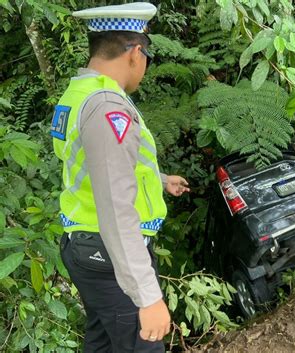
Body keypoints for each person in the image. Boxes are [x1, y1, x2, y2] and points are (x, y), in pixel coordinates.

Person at [50, 3, 190, 352]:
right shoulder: (108, 106)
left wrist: (158, 179)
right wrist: (147, 296)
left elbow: (98, 166)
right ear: (135, 53)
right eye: (148, 57)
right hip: (107, 254)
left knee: (102, 344)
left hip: (85, 245)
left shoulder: (78, 94)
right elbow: (115, 207)